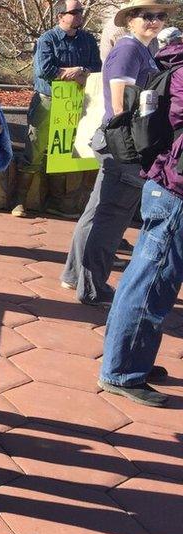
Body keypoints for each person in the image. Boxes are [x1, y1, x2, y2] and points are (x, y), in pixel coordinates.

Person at [61, 0, 172, 307]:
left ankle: (75, 276)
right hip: (125, 145)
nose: (154, 20)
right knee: (111, 218)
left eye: (159, 15)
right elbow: (121, 104)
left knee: (98, 212)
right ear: (131, 20)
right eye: (146, 16)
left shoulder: (143, 49)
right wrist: (141, 144)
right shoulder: (129, 50)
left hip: (120, 143)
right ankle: (92, 287)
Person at [97, 34, 183, 407]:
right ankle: (122, 371)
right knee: (150, 282)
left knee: (150, 280)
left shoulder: (174, 65)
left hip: (167, 185)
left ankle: (132, 359)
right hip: (175, 192)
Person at [26, 1, 102, 174]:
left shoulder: (88, 39)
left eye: (81, 11)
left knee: (64, 151)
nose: (80, 15)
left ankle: (59, 198)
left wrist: (80, 70)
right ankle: (23, 197)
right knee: (35, 147)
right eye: (75, 12)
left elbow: (97, 68)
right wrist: (74, 74)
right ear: (60, 16)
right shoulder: (47, 39)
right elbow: (44, 70)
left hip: (77, 101)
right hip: (48, 101)